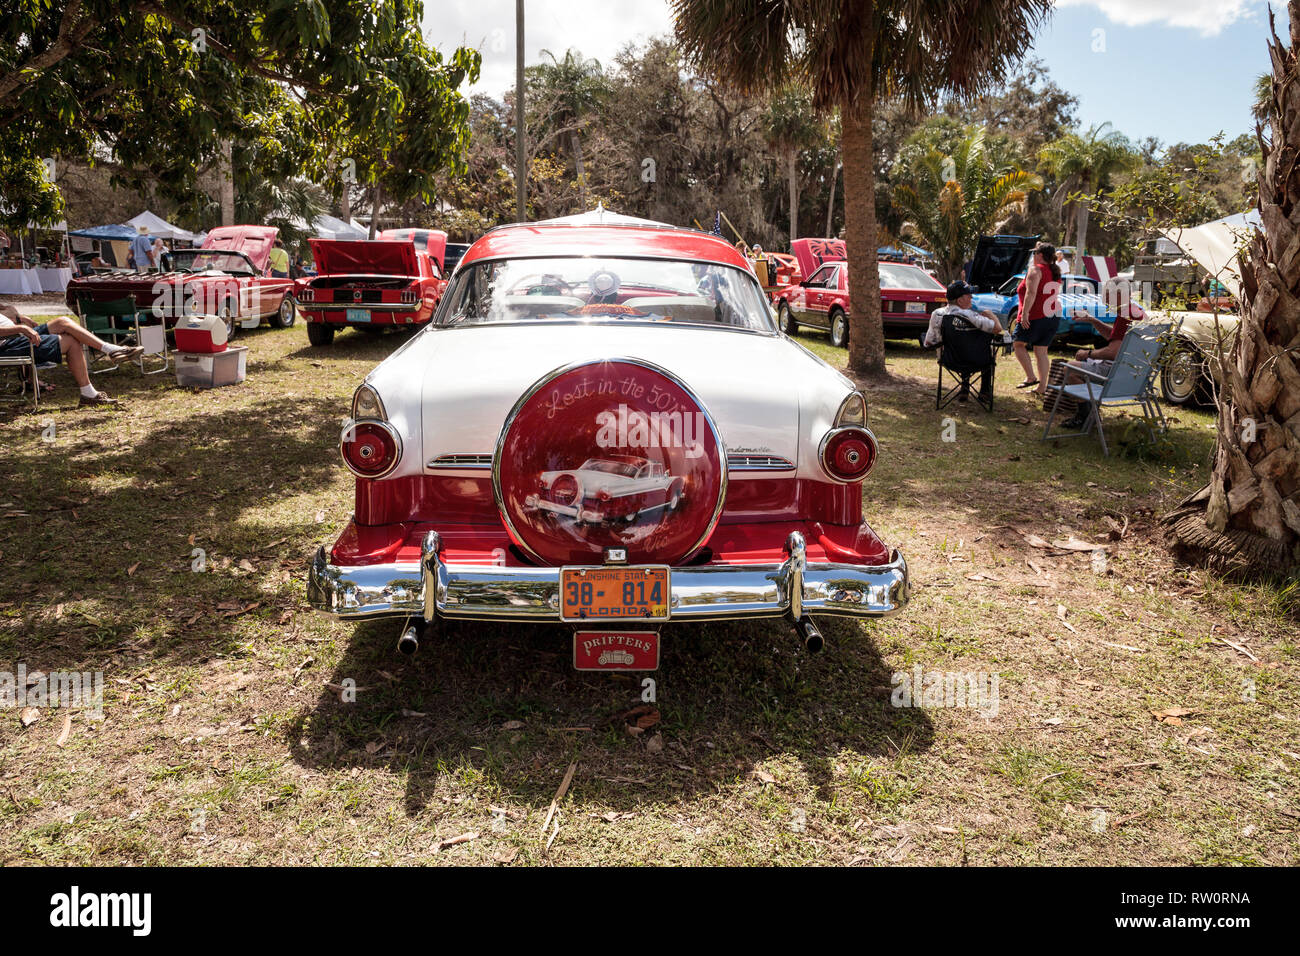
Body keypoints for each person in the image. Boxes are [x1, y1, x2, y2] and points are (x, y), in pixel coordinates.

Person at [0, 304, 140, 405]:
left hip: (15, 335)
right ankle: (89, 393)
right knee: (71, 342)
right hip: (7, 343)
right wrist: (20, 327)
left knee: (63, 321)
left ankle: (111, 350)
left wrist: (20, 318)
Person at [1057, 277, 1145, 429]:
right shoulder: (1134, 311)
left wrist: (1088, 353)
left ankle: (1086, 417)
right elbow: (1118, 339)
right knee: (1080, 364)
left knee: (1069, 369)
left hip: (1117, 376)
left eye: (1106, 293)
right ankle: (1090, 414)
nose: (1103, 297)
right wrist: (1093, 320)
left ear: (1118, 294)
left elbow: (1113, 352)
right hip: (1133, 375)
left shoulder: (1125, 314)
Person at [925, 279, 1003, 403]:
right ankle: (984, 392)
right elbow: (998, 329)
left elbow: (929, 342)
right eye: (968, 295)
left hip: (949, 360)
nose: (972, 297)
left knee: (961, 347)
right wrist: (991, 315)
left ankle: (964, 389)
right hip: (978, 361)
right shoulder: (971, 316)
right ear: (960, 300)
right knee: (982, 351)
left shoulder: (937, 314)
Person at [1011, 242, 1062, 397]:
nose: (1033, 257)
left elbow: (1030, 293)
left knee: (1018, 344)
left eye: (1035, 254)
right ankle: (1042, 387)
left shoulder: (1035, 269)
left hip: (1036, 315)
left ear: (1040, 255)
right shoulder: (1055, 271)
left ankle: (1031, 377)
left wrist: (1025, 314)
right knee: (1041, 351)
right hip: (1052, 316)